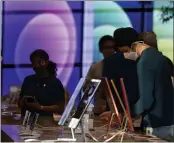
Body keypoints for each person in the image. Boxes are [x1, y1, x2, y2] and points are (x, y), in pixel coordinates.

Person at [132, 32, 174, 141]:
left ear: (138, 44)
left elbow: (146, 100)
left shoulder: (145, 60)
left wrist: (130, 113)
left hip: (155, 124)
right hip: (168, 121)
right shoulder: (162, 58)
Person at [100, 27, 139, 120]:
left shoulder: (111, 61)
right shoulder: (145, 59)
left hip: (115, 115)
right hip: (140, 116)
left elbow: (106, 89)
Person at [18, 49, 65, 126]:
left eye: (38, 63)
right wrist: (23, 101)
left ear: (45, 62)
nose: (34, 66)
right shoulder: (28, 80)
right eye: (32, 63)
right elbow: (19, 103)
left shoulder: (55, 83)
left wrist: (40, 107)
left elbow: (60, 108)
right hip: (26, 122)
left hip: (45, 124)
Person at [84, 35, 115, 115]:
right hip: (99, 110)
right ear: (101, 49)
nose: (110, 50)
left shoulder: (120, 66)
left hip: (116, 110)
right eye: (107, 47)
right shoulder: (95, 66)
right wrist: (97, 85)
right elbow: (85, 89)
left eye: (112, 47)